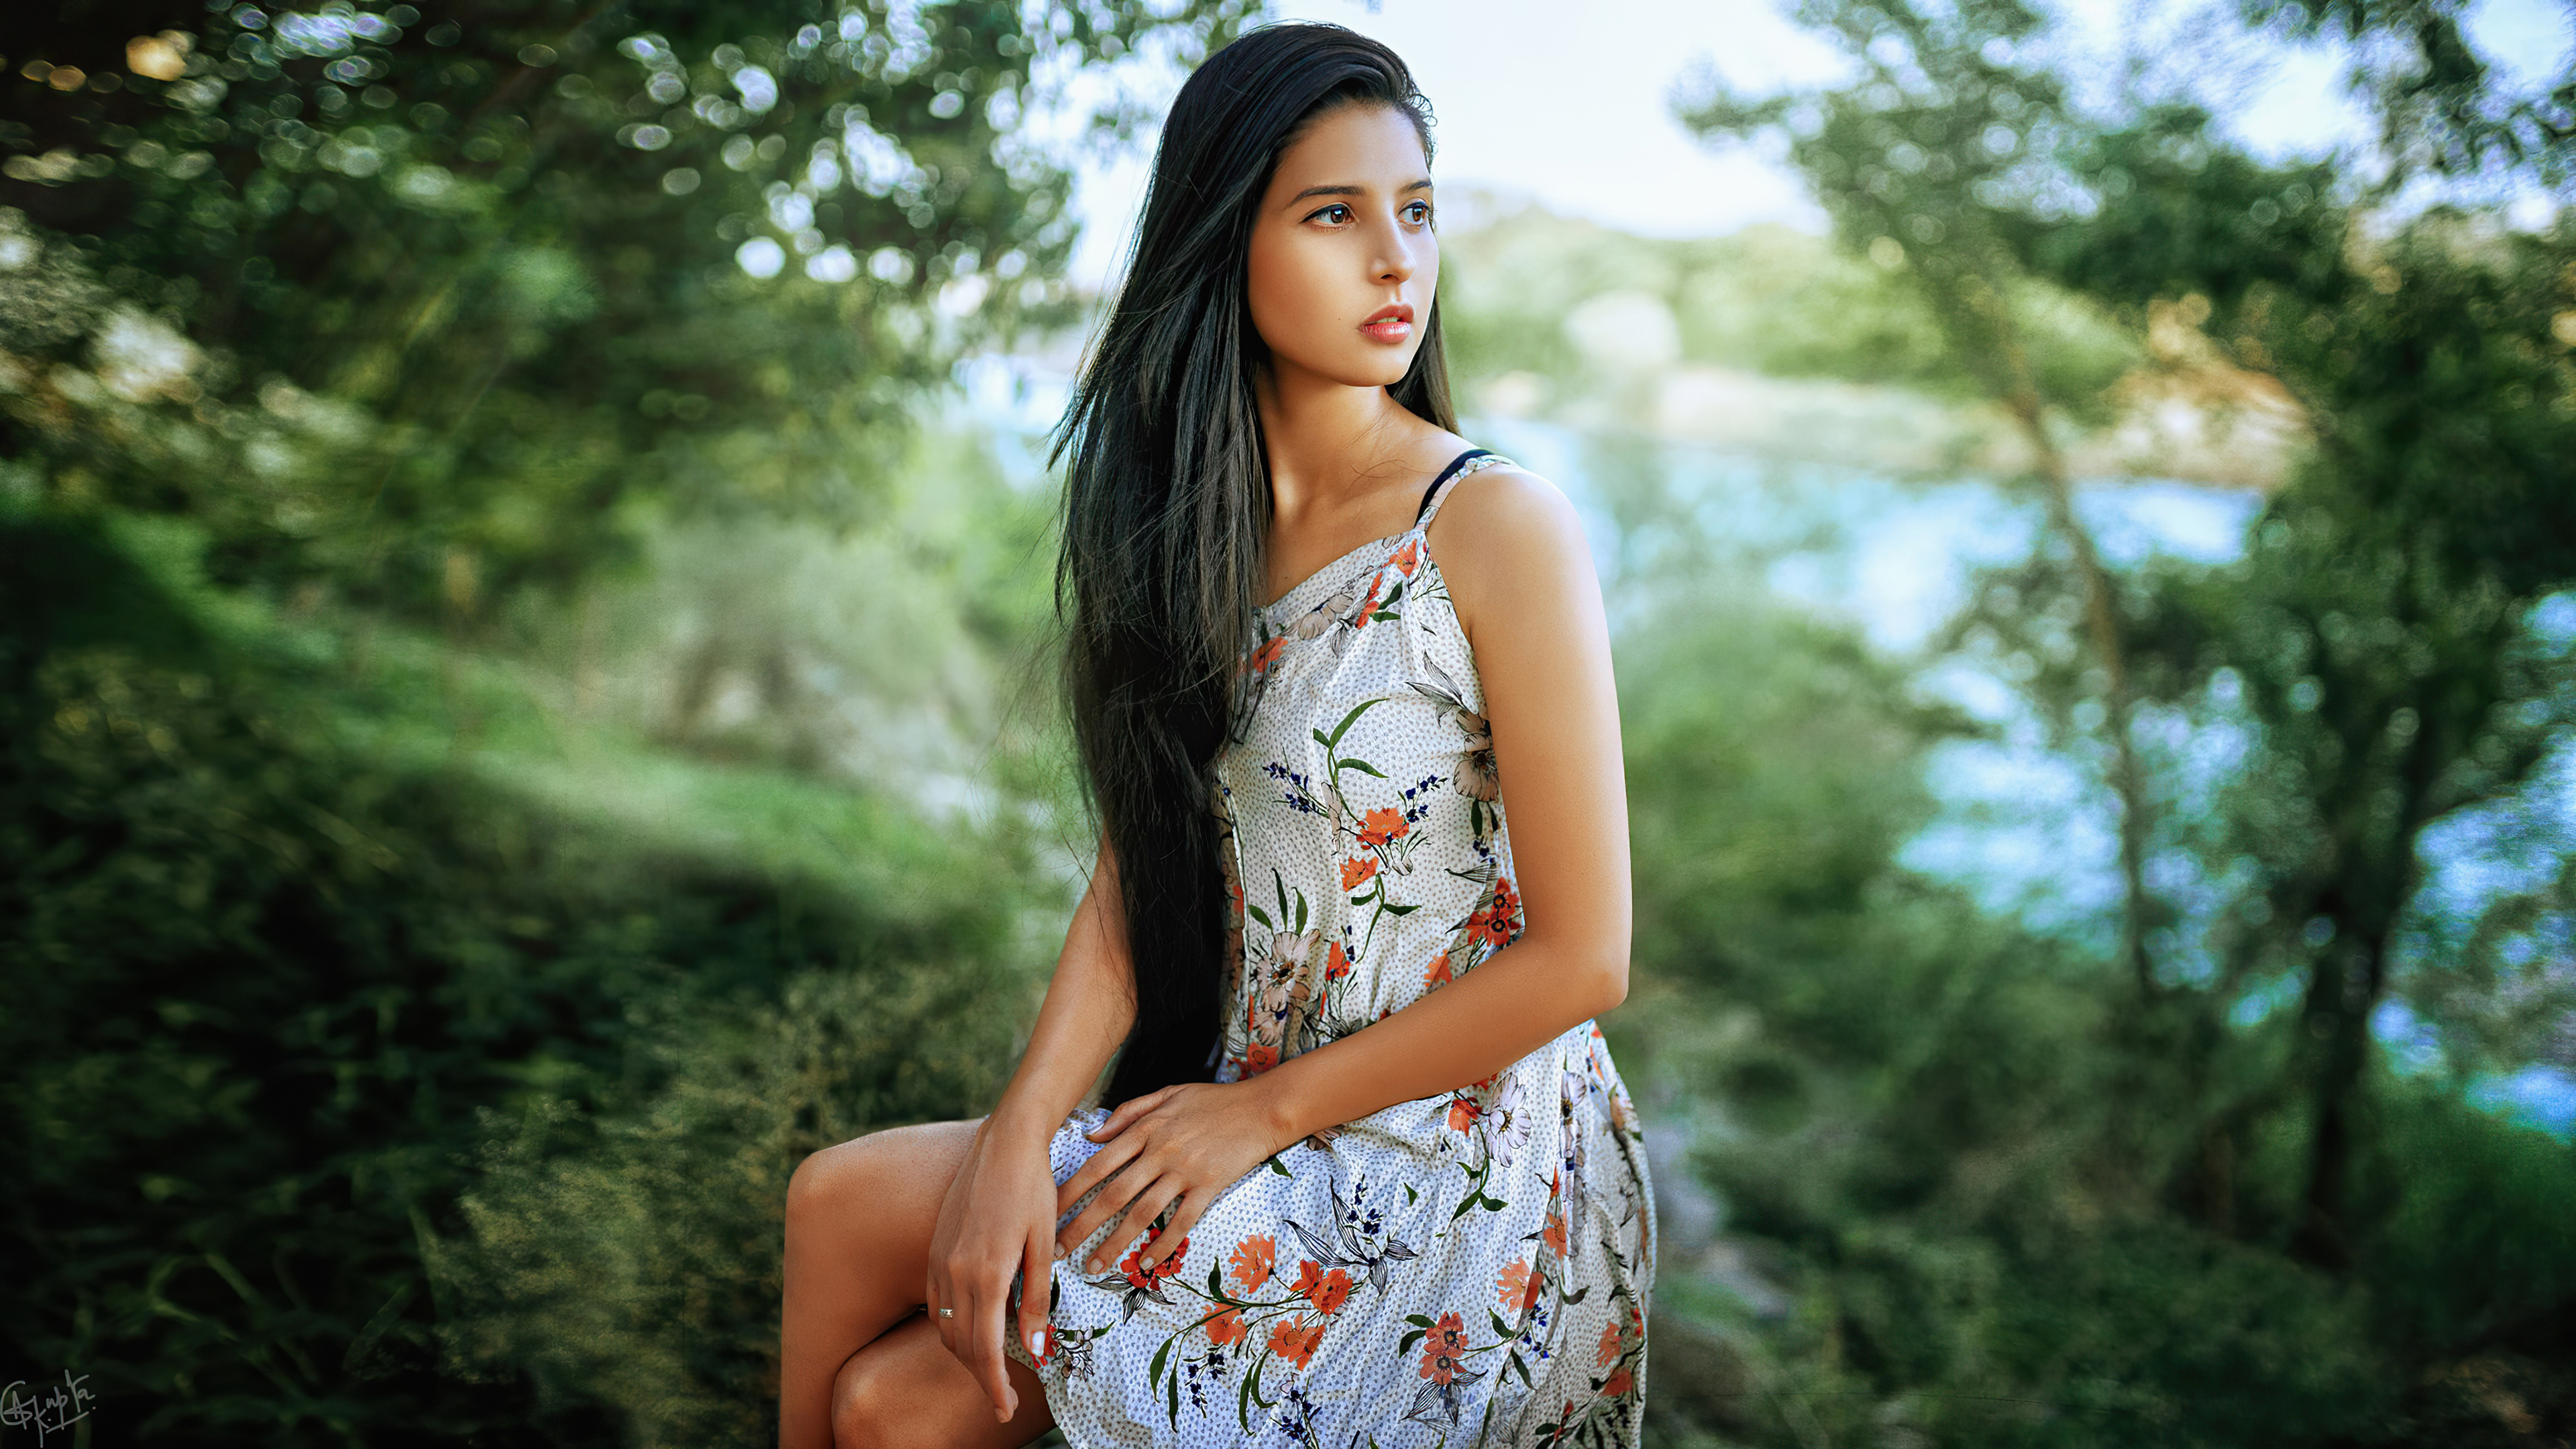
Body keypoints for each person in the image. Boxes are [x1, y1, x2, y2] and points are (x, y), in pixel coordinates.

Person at [780, 22, 1654, 1448]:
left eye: (1416, 210)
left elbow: (1585, 957)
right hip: (1247, 1105)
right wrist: (1017, 1133)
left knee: (895, 1407)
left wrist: (1261, 1116)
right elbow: (1146, 871)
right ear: (1222, 243)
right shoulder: (1200, 536)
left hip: (1444, 1157)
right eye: (1335, 214)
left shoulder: (1496, 527)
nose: (1397, 261)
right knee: (834, 1205)